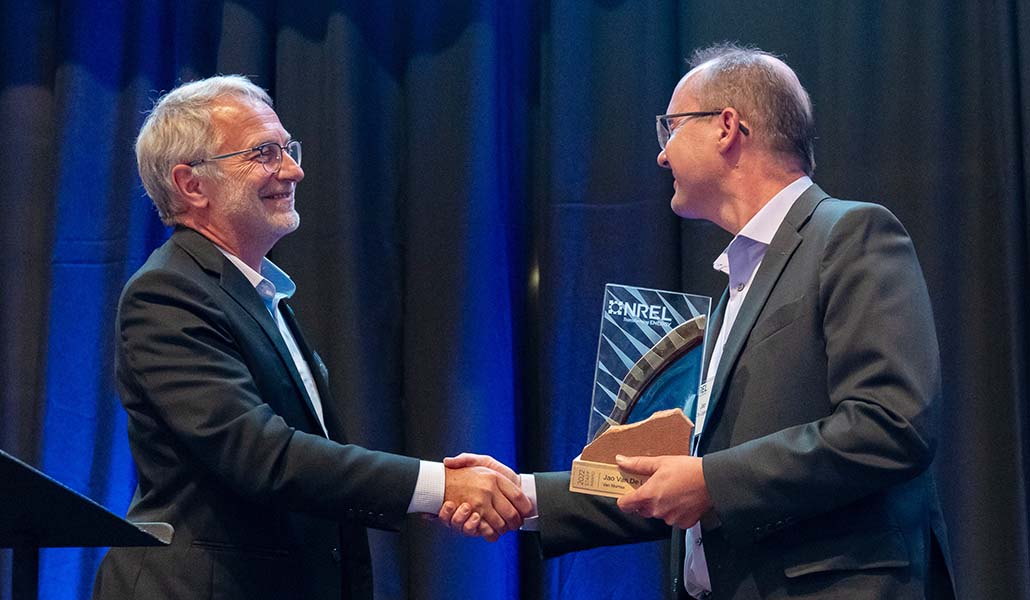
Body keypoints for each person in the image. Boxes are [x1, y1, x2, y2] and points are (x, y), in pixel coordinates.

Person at [442, 44, 954, 599]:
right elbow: (678, 481)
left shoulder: (851, 234)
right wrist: (523, 496)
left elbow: (891, 425)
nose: (662, 155)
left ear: (726, 127)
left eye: (671, 127)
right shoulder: (739, 284)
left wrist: (711, 482)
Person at [92, 75, 530, 600]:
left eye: (288, 149)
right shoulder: (167, 293)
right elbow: (263, 456)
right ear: (192, 185)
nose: (293, 170)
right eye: (263, 153)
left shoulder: (259, 292)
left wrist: (433, 490)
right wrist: (437, 487)